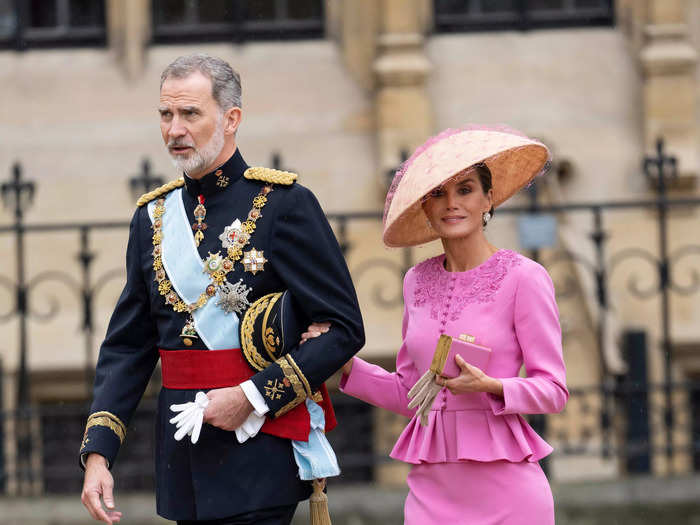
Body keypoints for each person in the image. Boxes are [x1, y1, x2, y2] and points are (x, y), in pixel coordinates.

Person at [79, 53, 365, 525]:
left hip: (258, 447)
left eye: (190, 114)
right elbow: (129, 346)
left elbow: (343, 328)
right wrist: (98, 453)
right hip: (183, 455)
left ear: (231, 119)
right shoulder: (153, 217)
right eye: (166, 115)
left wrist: (251, 398)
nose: (174, 130)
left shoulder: (284, 205)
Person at [315, 126, 568, 524]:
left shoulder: (525, 277)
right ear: (425, 208)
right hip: (430, 494)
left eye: (465, 190)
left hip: (509, 496)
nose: (451, 203)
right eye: (437, 193)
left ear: (489, 199)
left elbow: (553, 391)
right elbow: (410, 393)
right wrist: (344, 362)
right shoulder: (416, 280)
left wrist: (492, 386)